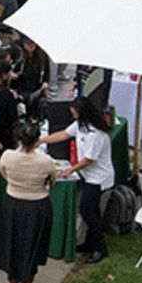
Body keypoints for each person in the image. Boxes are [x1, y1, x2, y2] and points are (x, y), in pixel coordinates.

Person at [40, 96, 115, 264]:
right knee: (91, 210)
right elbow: (63, 135)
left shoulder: (96, 134)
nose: (71, 113)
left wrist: (70, 170)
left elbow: (89, 159)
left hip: (98, 178)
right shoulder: (80, 125)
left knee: (87, 210)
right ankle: (90, 243)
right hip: (89, 175)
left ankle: (100, 247)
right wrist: (42, 139)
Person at [0, 119, 56, 283]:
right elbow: (52, 179)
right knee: (32, 246)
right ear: (37, 140)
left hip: (13, 203)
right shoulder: (45, 162)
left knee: (11, 243)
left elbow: (4, 173)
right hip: (37, 206)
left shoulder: (7, 156)